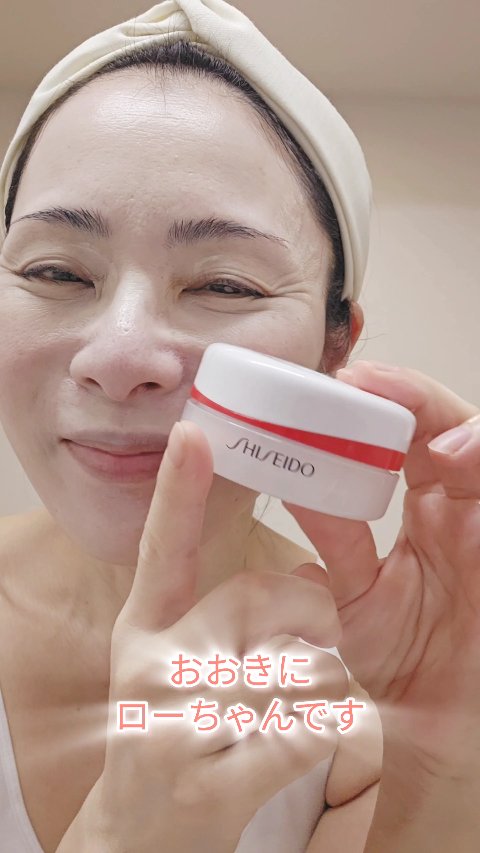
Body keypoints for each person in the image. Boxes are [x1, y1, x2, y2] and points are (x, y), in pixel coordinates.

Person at [0, 2, 478, 852]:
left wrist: (446, 756)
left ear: (334, 349)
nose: (120, 357)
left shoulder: (367, 703)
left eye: (225, 285)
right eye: (56, 271)